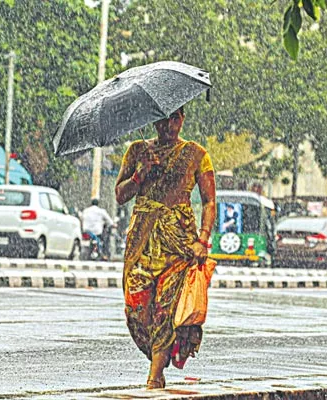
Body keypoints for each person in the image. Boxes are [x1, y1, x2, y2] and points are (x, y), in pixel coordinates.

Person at [115, 106, 216, 390]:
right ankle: (161, 351)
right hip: (142, 239)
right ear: (153, 120)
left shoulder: (197, 154)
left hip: (179, 240)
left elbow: (209, 201)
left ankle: (155, 374)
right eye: (163, 118)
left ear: (182, 119)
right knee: (137, 308)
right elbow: (119, 195)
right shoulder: (137, 151)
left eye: (175, 118)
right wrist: (139, 176)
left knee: (166, 309)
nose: (169, 125)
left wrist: (203, 239)